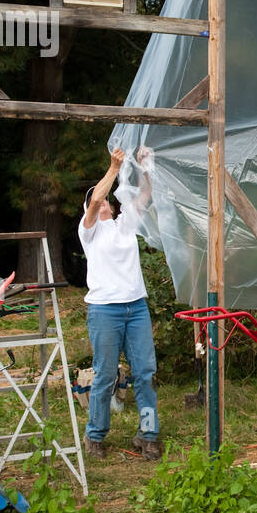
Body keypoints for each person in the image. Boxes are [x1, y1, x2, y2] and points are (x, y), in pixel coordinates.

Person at [79, 146, 162, 460]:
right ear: (89, 207)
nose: (101, 204)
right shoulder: (89, 232)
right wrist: (113, 168)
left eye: (103, 203)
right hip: (104, 312)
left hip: (136, 309)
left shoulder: (126, 225)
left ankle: (148, 434)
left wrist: (145, 165)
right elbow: (98, 197)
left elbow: (145, 192)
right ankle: (95, 436)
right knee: (105, 375)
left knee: (145, 373)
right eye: (95, 201)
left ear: (113, 209)